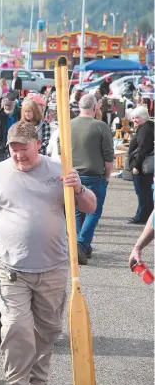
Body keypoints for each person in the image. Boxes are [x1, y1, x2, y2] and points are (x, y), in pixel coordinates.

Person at [0, 121, 97, 385]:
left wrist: (78, 188)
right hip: (10, 268)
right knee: (16, 328)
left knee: (47, 330)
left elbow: (90, 206)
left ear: (38, 144)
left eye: (23, 149)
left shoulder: (59, 171)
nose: (18, 156)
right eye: (13, 150)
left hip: (53, 267)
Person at [70, 93, 114, 264]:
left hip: (73, 174)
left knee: (78, 212)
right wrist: (107, 175)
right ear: (95, 107)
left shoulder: (69, 125)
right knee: (93, 211)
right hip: (94, 175)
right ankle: (81, 244)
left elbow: (60, 150)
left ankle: (82, 246)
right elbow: (108, 155)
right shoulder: (101, 126)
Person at [127, 106, 154, 224]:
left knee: (142, 192)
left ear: (143, 117)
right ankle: (144, 215)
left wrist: (136, 166)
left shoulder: (145, 129)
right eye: (133, 118)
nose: (134, 120)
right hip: (144, 165)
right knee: (145, 192)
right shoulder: (147, 127)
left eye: (137, 118)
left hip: (141, 165)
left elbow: (142, 149)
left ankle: (141, 216)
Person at [0, 93, 20, 162]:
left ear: (14, 104)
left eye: (9, 105)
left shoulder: (19, 114)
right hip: (2, 150)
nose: (7, 107)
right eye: (5, 105)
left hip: (17, 149)